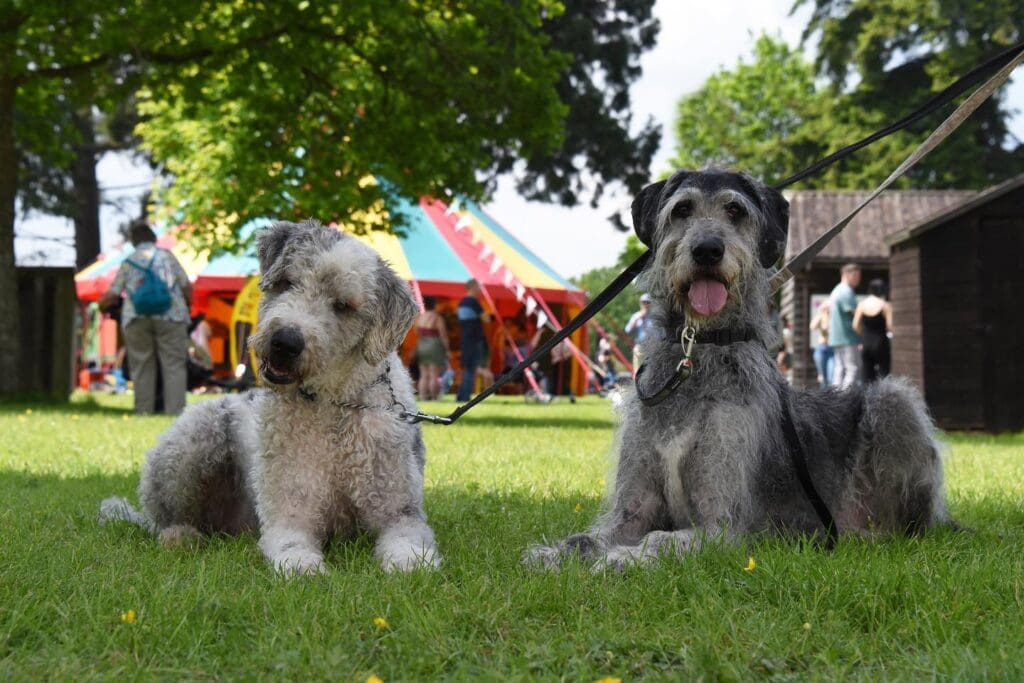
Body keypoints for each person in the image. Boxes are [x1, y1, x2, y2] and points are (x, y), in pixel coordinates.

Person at [100, 220, 192, 414]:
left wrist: (102, 306)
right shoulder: (167, 257)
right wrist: (187, 307)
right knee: (173, 364)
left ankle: (143, 410)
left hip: (136, 317)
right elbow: (186, 286)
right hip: (172, 316)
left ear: (134, 241)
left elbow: (112, 294)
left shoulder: (129, 261)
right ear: (153, 238)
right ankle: (175, 411)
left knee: (141, 365)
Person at [455, 279, 490, 401]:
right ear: (473, 287)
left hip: (466, 339)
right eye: (479, 286)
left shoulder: (461, 303)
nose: (481, 290)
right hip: (476, 339)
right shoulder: (473, 302)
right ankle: (464, 396)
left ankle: (462, 395)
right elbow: (487, 319)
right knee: (474, 369)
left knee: (469, 368)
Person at [828, 263, 862, 389]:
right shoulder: (847, 292)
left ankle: (835, 398)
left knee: (839, 369)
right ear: (847, 275)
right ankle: (845, 399)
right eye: (856, 275)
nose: (859, 279)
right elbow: (855, 314)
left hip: (836, 337)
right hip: (848, 337)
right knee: (852, 369)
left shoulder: (836, 290)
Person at [854, 278, 893, 382]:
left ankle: (867, 398)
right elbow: (890, 326)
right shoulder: (885, 305)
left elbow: (855, 325)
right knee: (884, 374)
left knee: (866, 374)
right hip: (880, 341)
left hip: (865, 342)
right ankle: (884, 397)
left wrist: (862, 335)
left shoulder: (861, 304)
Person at [414, 297, 449, 400]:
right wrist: (447, 350)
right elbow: (443, 336)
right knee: (434, 374)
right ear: (434, 305)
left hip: (422, 344)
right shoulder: (437, 318)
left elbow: (416, 332)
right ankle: (434, 398)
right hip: (434, 344)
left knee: (424, 374)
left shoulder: (419, 317)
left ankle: (423, 397)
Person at [625, 293, 653, 370]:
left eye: (648, 302)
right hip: (640, 348)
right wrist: (639, 317)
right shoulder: (636, 316)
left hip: (652, 347)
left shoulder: (654, 317)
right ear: (640, 303)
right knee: (638, 371)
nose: (646, 304)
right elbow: (628, 330)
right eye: (644, 302)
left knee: (652, 371)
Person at [809, 299, 834, 388]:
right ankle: (825, 399)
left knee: (831, 378)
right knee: (823, 379)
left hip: (832, 350)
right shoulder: (821, 317)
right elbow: (812, 326)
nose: (828, 309)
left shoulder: (834, 318)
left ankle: (832, 398)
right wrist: (821, 313)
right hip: (821, 349)